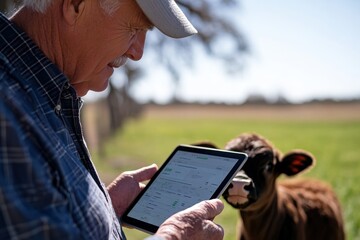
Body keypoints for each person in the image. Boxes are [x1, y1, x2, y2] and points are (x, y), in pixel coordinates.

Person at [0, 0, 225, 239]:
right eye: (134, 28)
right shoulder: (7, 110)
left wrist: (104, 211)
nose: (137, 53)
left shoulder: (38, 94)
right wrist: (174, 236)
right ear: (76, 5)